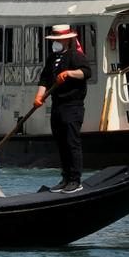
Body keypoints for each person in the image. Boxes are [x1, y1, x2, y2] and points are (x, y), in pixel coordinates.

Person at [34, 24, 92, 193]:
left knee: (72, 143)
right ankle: (65, 177)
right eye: (54, 40)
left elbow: (86, 73)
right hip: (57, 106)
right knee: (61, 143)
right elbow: (44, 79)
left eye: (59, 40)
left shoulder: (76, 56)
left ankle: (75, 180)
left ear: (66, 40)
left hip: (72, 106)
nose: (56, 43)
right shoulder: (52, 59)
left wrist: (69, 73)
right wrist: (39, 96)